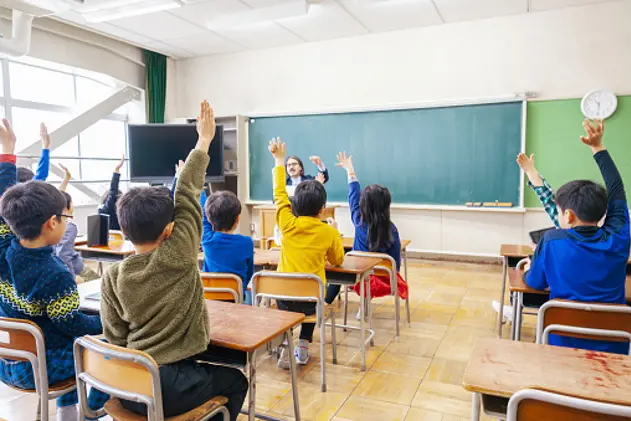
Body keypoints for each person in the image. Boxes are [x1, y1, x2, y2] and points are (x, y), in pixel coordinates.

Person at [100, 101, 248, 420]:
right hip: (167, 385)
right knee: (237, 381)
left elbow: (114, 335)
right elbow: (188, 195)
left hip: (129, 383)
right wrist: (204, 141)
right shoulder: (179, 253)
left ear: (124, 230)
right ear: (170, 230)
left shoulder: (113, 276)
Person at [0, 119, 107, 421]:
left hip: (8, 362)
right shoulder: (56, 275)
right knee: (106, 344)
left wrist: (7, 151)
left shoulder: (3, 249)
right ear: (51, 223)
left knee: (66, 340)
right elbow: (72, 325)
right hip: (42, 367)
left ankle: (68, 412)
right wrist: (106, 322)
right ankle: (93, 407)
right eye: (64, 216)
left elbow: (5, 204)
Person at [523, 119, 630, 355]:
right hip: (615, 348)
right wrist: (598, 148)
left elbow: (533, 283)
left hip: (562, 343)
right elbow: (617, 190)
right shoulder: (619, 238)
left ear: (568, 215)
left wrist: (530, 267)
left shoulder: (552, 241)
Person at [268, 137, 344, 368]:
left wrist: (278, 160)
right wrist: (334, 231)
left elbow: (279, 194)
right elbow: (338, 260)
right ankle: (302, 346)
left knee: (294, 296)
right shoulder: (327, 232)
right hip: (311, 300)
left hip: (283, 297)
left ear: (294, 206)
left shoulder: (287, 223)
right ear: (322, 209)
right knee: (312, 292)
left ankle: (286, 343)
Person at [330, 151, 408, 319]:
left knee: (343, 257)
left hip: (359, 280)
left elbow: (353, 195)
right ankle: (363, 304)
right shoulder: (392, 229)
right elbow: (396, 263)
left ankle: (329, 300)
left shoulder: (358, 221)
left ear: (363, 204)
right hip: (386, 280)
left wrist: (350, 170)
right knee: (372, 265)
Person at [202, 189, 254, 305]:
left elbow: (203, 218)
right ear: (237, 219)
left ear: (210, 219)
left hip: (209, 299)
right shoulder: (247, 242)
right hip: (235, 298)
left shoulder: (208, 240)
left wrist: (201, 190)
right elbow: (249, 272)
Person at [53, 165, 99, 282]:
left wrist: (66, 178)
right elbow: (63, 254)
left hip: (57, 266)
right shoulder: (69, 226)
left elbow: (57, 197)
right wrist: (70, 280)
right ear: (66, 208)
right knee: (98, 282)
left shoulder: (51, 221)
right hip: (74, 268)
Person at [98, 155, 125, 230]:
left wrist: (116, 170)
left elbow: (113, 193)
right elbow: (113, 193)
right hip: (121, 240)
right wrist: (116, 170)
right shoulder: (123, 214)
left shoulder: (102, 212)